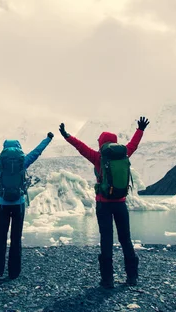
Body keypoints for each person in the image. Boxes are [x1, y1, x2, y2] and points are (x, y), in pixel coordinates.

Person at [59, 117, 149, 288]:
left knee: (106, 240)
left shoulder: (98, 157)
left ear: (101, 143)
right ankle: (132, 277)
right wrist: (140, 130)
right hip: (121, 203)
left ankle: (107, 280)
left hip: (104, 204)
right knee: (126, 239)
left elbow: (81, 147)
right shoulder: (124, 153)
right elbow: (133, 145)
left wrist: (66, 135)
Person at [0, 132, 53, 283]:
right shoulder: (23, 162)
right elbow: (37, 151)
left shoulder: (0, 162)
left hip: (3, 204)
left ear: (4, 148)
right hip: (19, 204)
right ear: (19, 148)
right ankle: (13, 273)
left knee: (0, 237)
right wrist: (48, 139)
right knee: (16, 238)